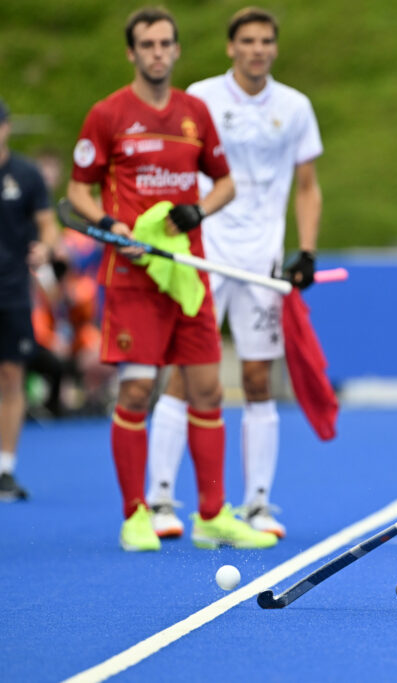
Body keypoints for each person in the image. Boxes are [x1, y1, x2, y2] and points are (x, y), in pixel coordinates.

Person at [66, 7, 277, 552]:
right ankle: (136, 514)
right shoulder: (108, 114)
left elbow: (225, 182)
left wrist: (199, 211)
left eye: (166, 44)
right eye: (147, 45)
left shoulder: (194, 113)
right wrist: (109, 224)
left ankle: (211, 513)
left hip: (187, 276)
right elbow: (78, 192)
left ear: (176, 51)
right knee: (137, 390)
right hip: (136, 279)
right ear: (132, 53)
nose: (158, 53)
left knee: (207, 389)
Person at [144, 6, 323, 540]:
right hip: (204, 255)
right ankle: (158, 500)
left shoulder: (294, 107)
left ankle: (258, 504)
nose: (258, 49)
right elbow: (176, 166)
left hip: (262, 260)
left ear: (274, 47)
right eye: (247, 40)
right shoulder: (200, 97)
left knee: (256, 379)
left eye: (266, 40)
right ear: (231, 47)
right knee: (185, 373)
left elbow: (308, 184)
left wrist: (306, 250)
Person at [0, 97, 64, 500]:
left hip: (10, 292)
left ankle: (4, 468)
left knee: (11, 377)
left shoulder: (25, 174)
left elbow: (48, 224)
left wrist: (44, 248)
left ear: (6, 127)